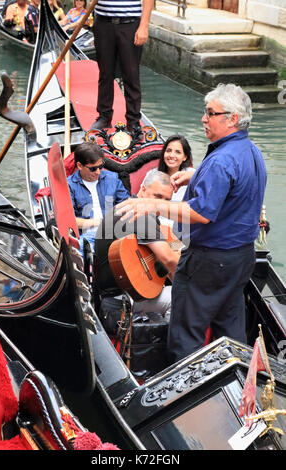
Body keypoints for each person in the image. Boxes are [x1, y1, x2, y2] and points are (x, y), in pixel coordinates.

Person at [115, 83, 267, 362]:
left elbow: (202, 213)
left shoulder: (221, 162)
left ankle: (188, 399)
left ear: (231, 118)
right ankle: (234, 385)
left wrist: (152, 204)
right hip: (240, 258)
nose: (203, 119)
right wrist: (195, 175)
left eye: (210, 113)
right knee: (230, 329)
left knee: (186, 334)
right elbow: (233, 183)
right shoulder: (251, 151)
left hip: (209, 262)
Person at [95, 170, 180, 321]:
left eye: (166, 200)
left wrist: (174, 248)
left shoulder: (126, 206)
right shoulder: (142, 216)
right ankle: (174, 343)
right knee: (182, 296)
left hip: (110, 298)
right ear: (143, 189)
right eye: (158, 196)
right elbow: (170, 261)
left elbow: (167, 241)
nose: (161, 204)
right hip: (120, 302)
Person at [89, 0, 154, 132]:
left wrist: (144, 26)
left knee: (131, 74)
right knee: (105, 73)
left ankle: (133, 120)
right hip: (103, 23)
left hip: (130, 24)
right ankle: (104, 116)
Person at [67, 141, 130, 252]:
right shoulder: (69, 186)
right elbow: (70, 220)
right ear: (79, 166)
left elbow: (128, 206)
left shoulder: (113, 178)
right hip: (88, 234)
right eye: (93, 169)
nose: (98, 172)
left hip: (115, 230)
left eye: (101, 167)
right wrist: (100, 223)